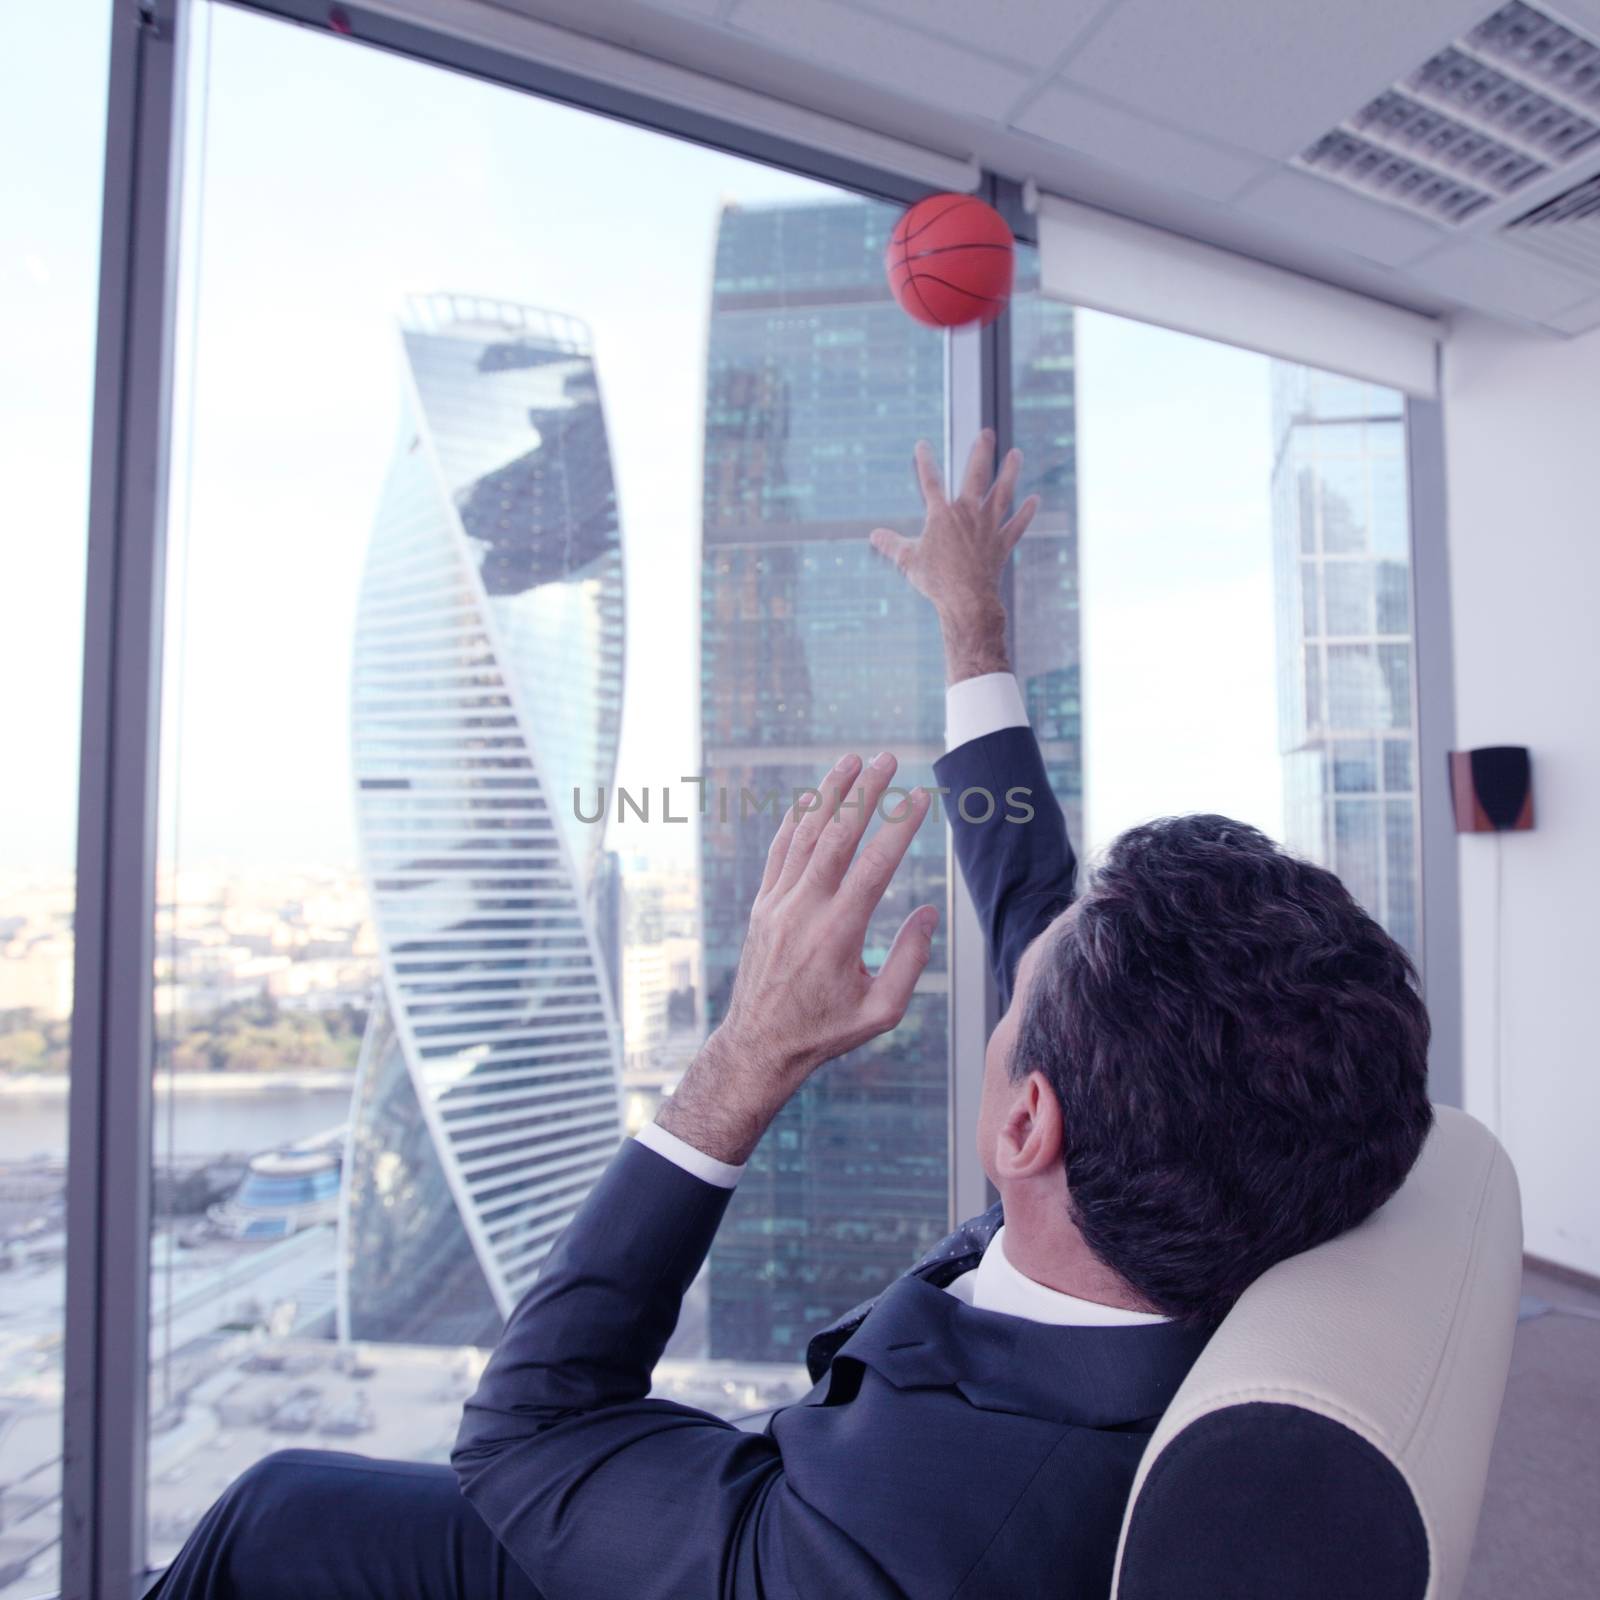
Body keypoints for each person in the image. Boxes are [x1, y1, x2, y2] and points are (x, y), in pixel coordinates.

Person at [151, 434, 1433, 1599]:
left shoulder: (896, 1546)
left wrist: (747, 1049)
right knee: (286, 1505)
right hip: (773, 1488)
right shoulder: (1187, 1188)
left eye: (1017, 1003)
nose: (1018, 971)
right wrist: (969, 623)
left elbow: (527, 1433)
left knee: (269, 1527)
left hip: (746, 1535)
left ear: (1030, 1120)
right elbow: (1040, 899)